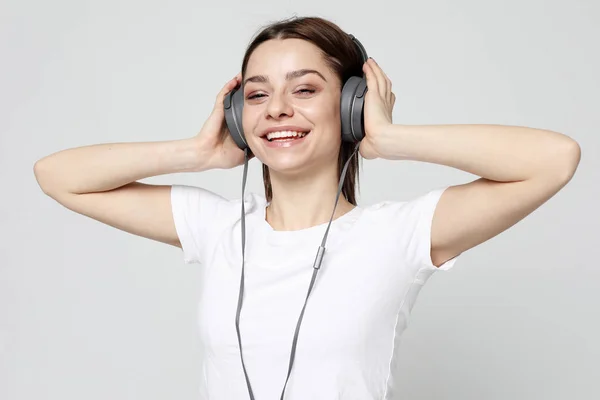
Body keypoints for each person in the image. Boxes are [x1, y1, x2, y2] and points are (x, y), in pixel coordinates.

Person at [34, 15, 580, 400]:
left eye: (305, 90)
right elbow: (57, 176)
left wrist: (388, 138)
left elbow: (554, 159)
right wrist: (196, 152)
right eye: (255, 94)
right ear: (235, 116)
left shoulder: (399, 234)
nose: (276, 109)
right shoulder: (218, 228)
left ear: (349, 106)